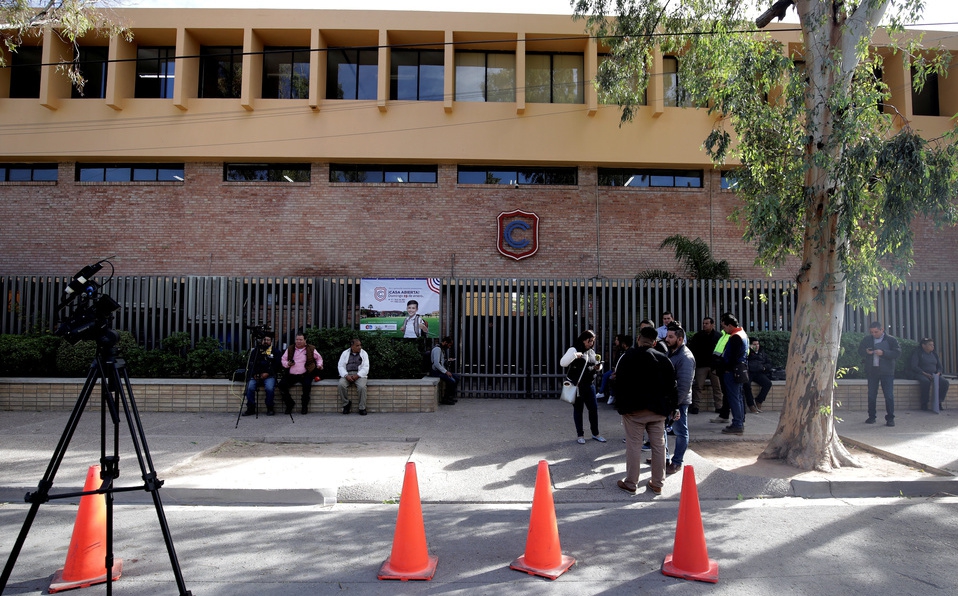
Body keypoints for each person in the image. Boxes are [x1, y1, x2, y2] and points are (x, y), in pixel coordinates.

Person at [613, 326, 677, 495]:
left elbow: (618, 383)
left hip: (633, 411)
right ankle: (657, 483)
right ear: (655, 342)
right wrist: (672, 408)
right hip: (658, 411)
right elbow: (672, 386)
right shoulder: (664, 359)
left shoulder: (627, 357)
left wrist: (621, 407)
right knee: (658, 446)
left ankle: (631, 483)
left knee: (634, 445)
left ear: (638, 338)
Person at [560, 330, 606, 444]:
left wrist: (598, 367)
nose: (591, 343)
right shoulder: (574, 349)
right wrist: (575, 356)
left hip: (589, 385)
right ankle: (580, 435)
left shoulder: (591, 351)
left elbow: (593, 363)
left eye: (593, 341)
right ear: (583, 339)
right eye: (589, 341)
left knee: (593, 409)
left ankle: (596, 433)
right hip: (578, 386)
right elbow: (563, 363)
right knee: (578, 410)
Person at [664, 325, 695, 476]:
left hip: (679, 402)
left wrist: (675, 406)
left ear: (680, 339)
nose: (666, 339)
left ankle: (677, 462)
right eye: (667, 336)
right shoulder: (672, 352)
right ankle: (664, 458)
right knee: (664, 429)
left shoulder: (685, 358)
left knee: (680, 431)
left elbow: (683, 385)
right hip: (670, 400)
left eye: (671, 337)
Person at [858, 321, 901, 426]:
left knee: (889, 395)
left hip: (887, 371)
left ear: (882, 330)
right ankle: (871, 416)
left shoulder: (891, 340)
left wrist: (884, 353)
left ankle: (890, 418)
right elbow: (860, 351)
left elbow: (897, 353)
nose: (874, 334)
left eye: (876, 332)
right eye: (872, 332)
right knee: (872, 395)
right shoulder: (867, 339)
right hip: (872, 371)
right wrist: (866, 352)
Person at [715, 313, 748, 435]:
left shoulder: (735, 337)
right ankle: (739, 421)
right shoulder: (742, 334)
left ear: (729, 325)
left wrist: (726, 368)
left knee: (734, 397)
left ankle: (737, 423)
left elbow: (732, 356)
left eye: (724, 327)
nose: (724, 329)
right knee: (738, 397)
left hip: (732, 371)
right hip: (739, 370)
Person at [280, 333, 323, 415]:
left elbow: (319, 359)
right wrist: (287, 364)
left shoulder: (311, 348)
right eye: (297, 339)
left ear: (305, 340)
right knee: (282, 385)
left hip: (305, 373)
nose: (298, 341)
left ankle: (304, 406)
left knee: (307, 387)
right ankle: (289, 403)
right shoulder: (290, 348)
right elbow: (283, 360)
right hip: (292, 374)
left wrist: (319, 365)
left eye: (300, 340)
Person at [687, 316, 723, 415]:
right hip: (701, 365)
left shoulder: (718, 336)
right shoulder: (698, 336)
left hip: (714, 366)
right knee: (698, 386)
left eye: (707, 323)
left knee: (717, 387)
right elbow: (692, 350)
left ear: (712, 324)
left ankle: (719, 407)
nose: (704, 325)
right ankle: (695, 407)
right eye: (703, 323)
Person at [909, 337, 949, 411]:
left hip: (934, 374)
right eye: (930, 345)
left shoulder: (934, 354)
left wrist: (938, 373)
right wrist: (925, 374)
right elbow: (914, 366)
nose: (932, 346)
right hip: (921, 374)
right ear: (923, 345)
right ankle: (924, 404)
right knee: (925, 382)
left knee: (944, 382)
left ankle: (939, 402)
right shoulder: (918, 353)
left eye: (933, 345)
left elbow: (940, 367)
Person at [243, 334, 277, 417]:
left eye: (268, 340)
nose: (266, 342)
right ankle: (251, 408)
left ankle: (270, 408)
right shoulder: (255, 351)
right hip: (255, 375)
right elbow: (250, 364)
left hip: (269, 375)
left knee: (269, 388)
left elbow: (277, 366)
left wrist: (267, 373)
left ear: (271, 342)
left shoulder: (275, 351)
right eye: (264, 340)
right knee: (249, 387)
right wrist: (254, 374)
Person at [337, 338, 370, 415]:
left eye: (360, 345)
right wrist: (346, 375)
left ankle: (362, 407)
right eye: (357, 345)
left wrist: (358, 375)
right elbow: (340, 366)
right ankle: (346, 404)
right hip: (347, 373)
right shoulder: (345, 353)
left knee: (362, 387)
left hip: (359, 374)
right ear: (352, 346)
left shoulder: (364, 353)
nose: (359, 347)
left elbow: (366, 367)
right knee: (341, 385)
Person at [597, 333, 631, 405]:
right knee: (606, 375)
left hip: (620, 371)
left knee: (611, 377)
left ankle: (610, 395)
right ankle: (603, 392)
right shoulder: (619, 350)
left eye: (616, 340)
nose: (615, 341)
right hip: (616, 370)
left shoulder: (627, 352)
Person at [745, 339, 773, 413]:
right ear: (750, 345)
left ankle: (759, 401)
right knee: (746, 384)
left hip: (758, 373)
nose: (756, 346)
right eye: (754, 344)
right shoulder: (747, 352)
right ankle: (751, 404)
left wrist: (764, 367)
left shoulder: (762, 353)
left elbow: (769, 364)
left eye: (757, 344)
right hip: (749, 372)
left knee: (768, 383)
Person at [431, 335, 459, 405]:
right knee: (452, 381)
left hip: (440, 370)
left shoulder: (441, 349)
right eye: (449, 345)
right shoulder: (437, 349)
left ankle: (450, 397)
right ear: (445, 342)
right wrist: (446, 372)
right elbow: (437, 364)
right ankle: (446, 399)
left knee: (456, 378)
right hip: (436, 371)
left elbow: (441, 361)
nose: (449, 347)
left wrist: (447, 360)